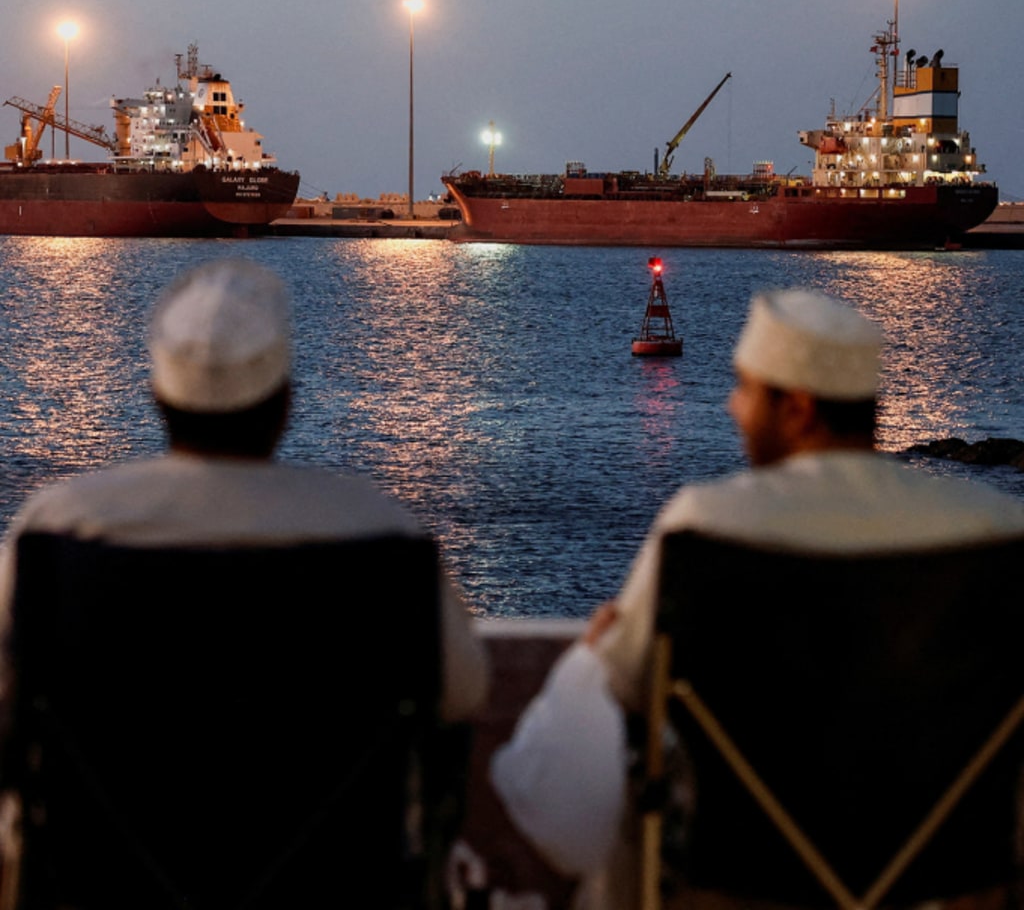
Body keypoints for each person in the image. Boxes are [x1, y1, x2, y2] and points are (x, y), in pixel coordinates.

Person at [492, 287, 1024, 910]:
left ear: (796, 408)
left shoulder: (706, 528)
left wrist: (594, 654)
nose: (731, 407)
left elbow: (597, 737)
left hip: (740, 885)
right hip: (946, 886)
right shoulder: (996, 534)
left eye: (745, 389)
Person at [0, 256, 488, 722]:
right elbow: (464, 691)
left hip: (88, 808)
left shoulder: (57, 523)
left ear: (158, 400)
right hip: (326, 806)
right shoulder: (383, 531)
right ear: (285, 404)